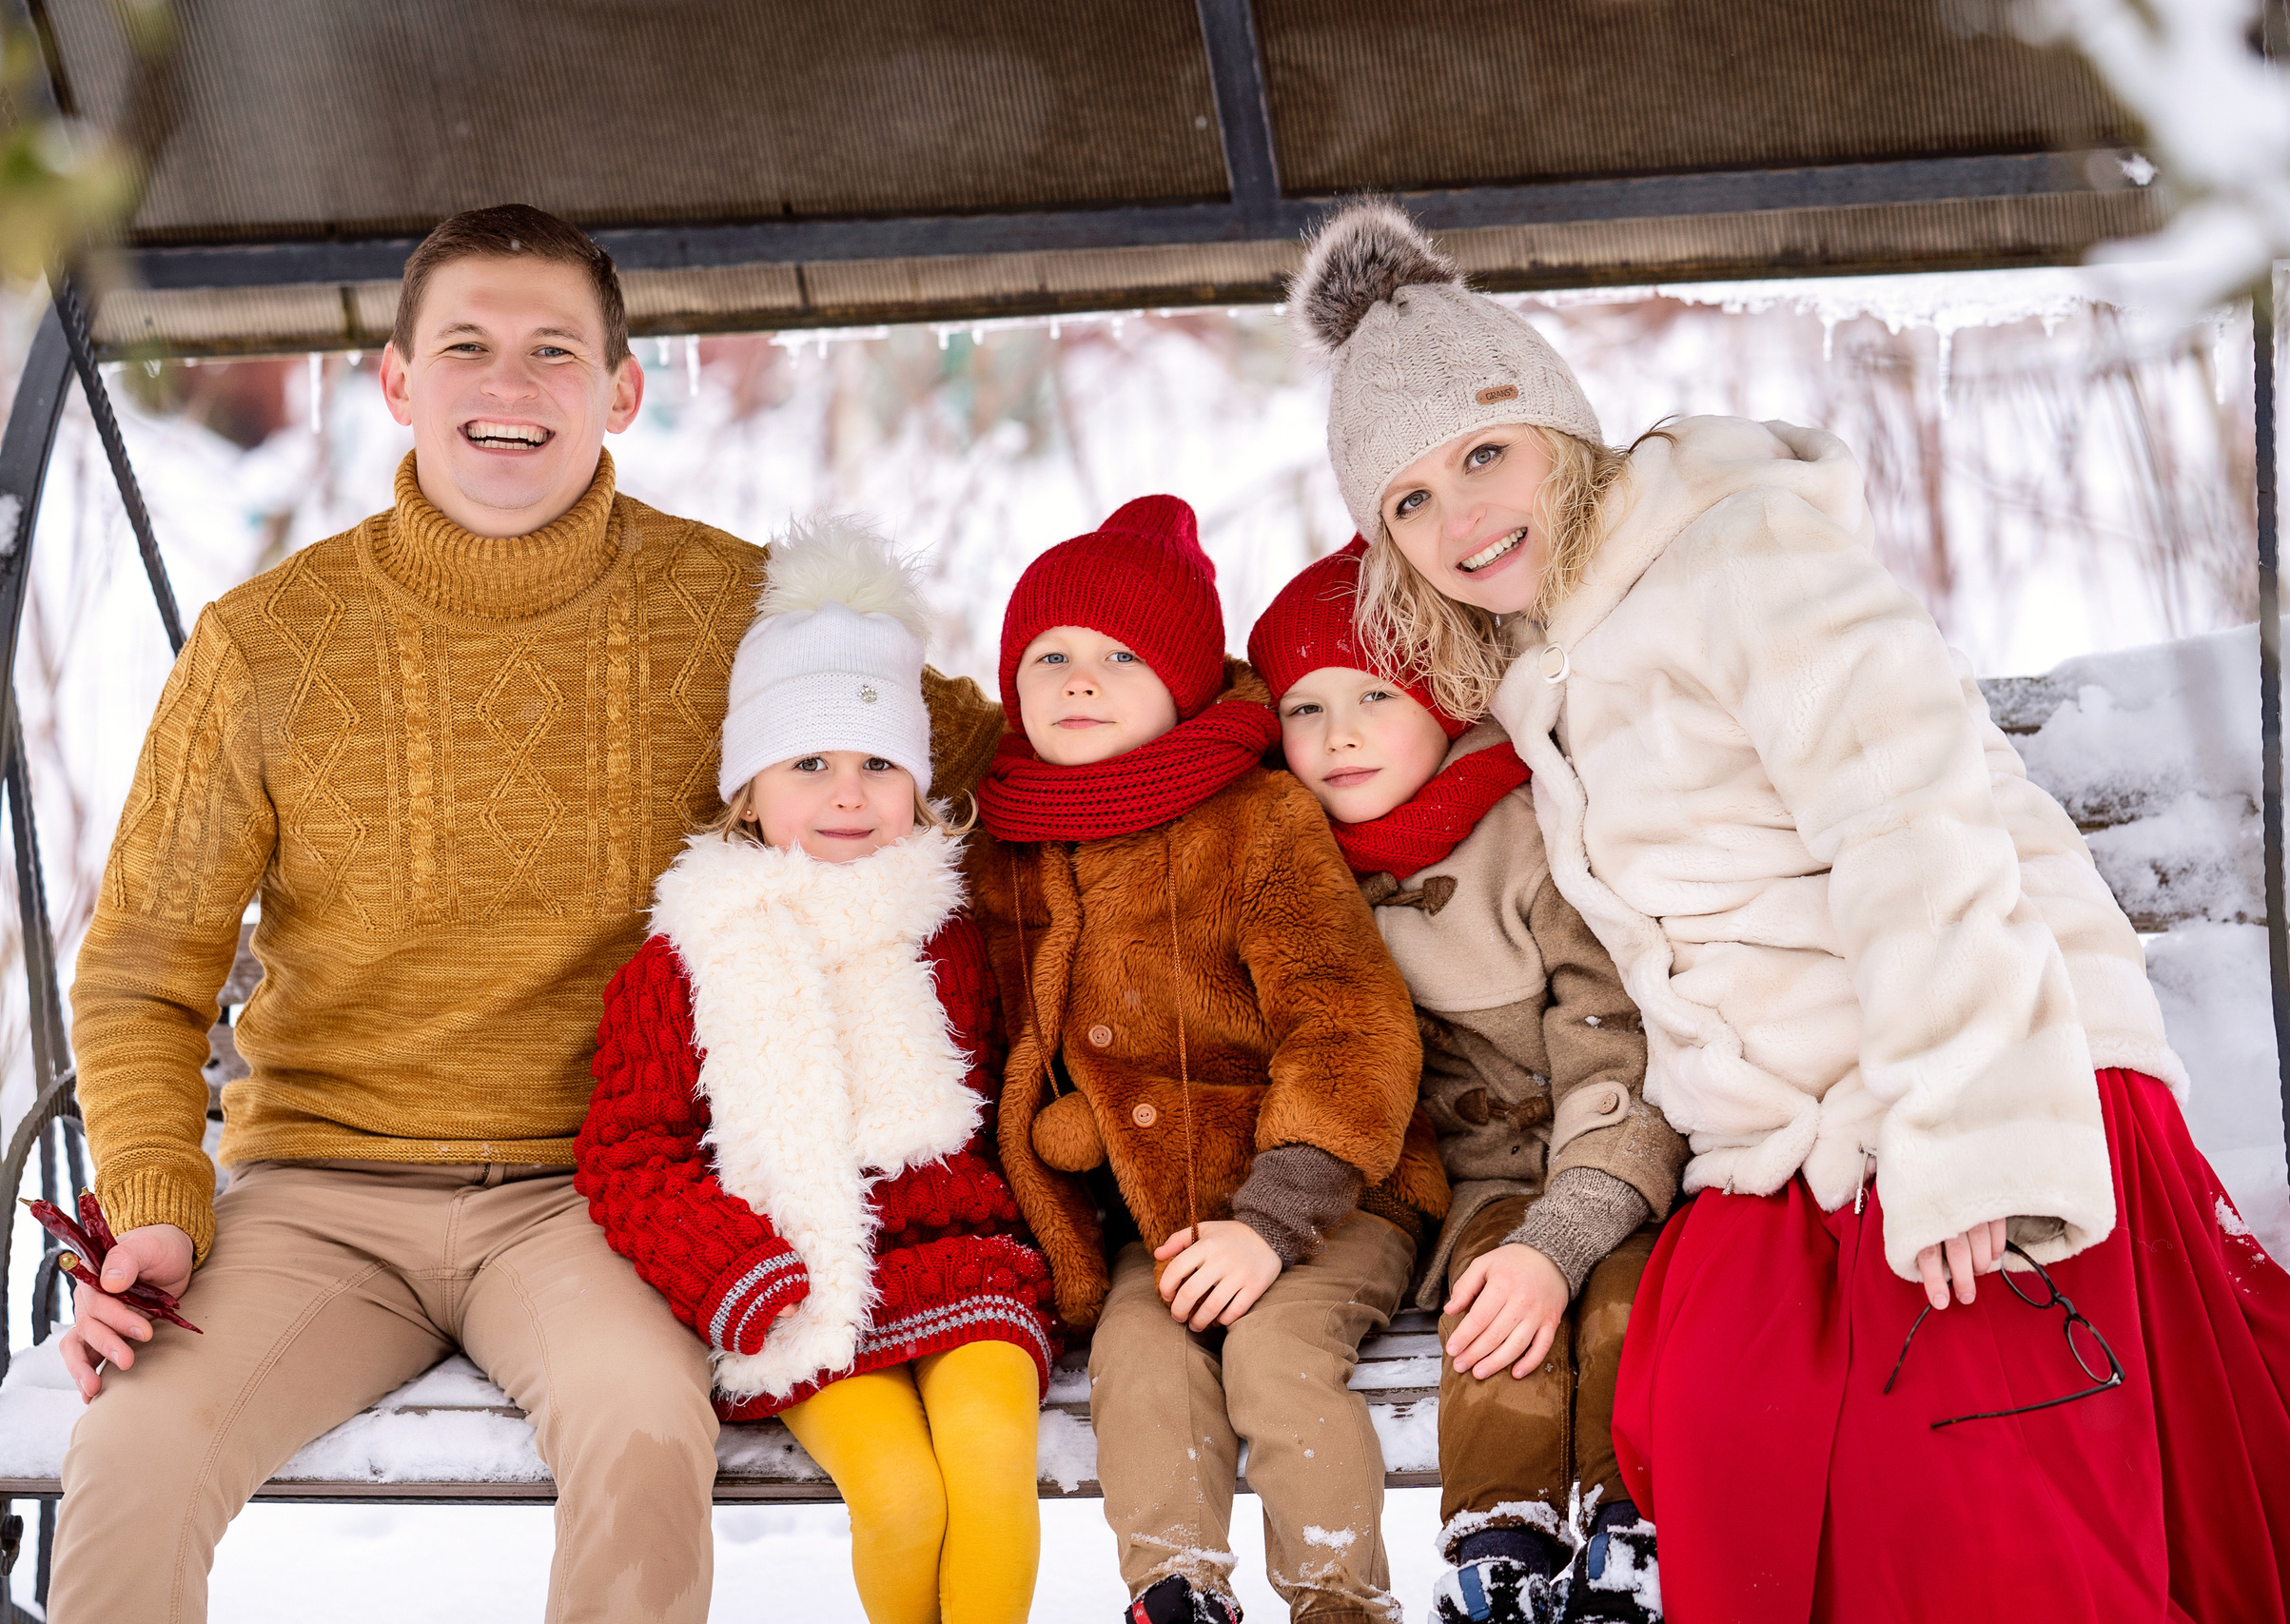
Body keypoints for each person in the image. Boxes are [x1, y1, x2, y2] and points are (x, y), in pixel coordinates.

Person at [1286, 197, 2290, 1623]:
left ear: (1562, 431)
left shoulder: (1746, 556)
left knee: (1964, 1491)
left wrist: (1964, 1136)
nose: (1461, 518)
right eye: (1409, 500)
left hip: (1985, 1076)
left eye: (1484, 453)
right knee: (1702, 1411)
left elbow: (1918, 826)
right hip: (1795, 1146)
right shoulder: (1552, 662)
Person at [49, 203, 1000, 1624]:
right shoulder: (263, 645)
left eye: (554, 350)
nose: (510, 386)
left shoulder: (739, 610)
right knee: (130, 1446)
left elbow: (1008, 751)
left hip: (598, 1192)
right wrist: (156, 1202)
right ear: (397, 381)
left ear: (620, 388)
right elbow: (141, 968)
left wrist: (1243, 717)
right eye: (468, 348)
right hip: (322, 1191)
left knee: (645, 1433)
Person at [965, 496, 1448, 1624]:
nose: (1080, 681)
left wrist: (1273, 1221)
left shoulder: (1256, 819)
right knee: (1139, 1354)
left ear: (1183, 682)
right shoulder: (1007, 841)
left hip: (1330, 1197)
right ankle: (1175, 1591)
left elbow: (1349, 1022)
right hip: (1161, 1218)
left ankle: (1337, 1596)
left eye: (1121, 657)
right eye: (1051, 656)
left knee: (1275, 1354)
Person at [575, 518, 1058, 1624]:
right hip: (801, 1278)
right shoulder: (686, 958)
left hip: (962, 1255)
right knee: (898, 1498)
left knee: (987, 1468)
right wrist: (732, 1271)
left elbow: (1024, 1089)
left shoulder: (950, 934)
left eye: (879, 765)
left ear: (922, 790)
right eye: (810, 765)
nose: (849, 796)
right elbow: (626, 1152)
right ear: (748, 791)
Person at [1249, 542, 1687, 1624]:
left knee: (1625, 1297)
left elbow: (1610, 1032)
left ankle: (1631, 1533)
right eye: (1303, 708)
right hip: (1478, 1190)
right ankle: (1498, 1546)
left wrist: (1573, 1219)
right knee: (1496, 1312)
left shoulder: (1530, 832)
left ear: (1443, 700)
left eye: (1372, 695)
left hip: (1615, 1155)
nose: (1337, 733)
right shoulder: (1290, 859)